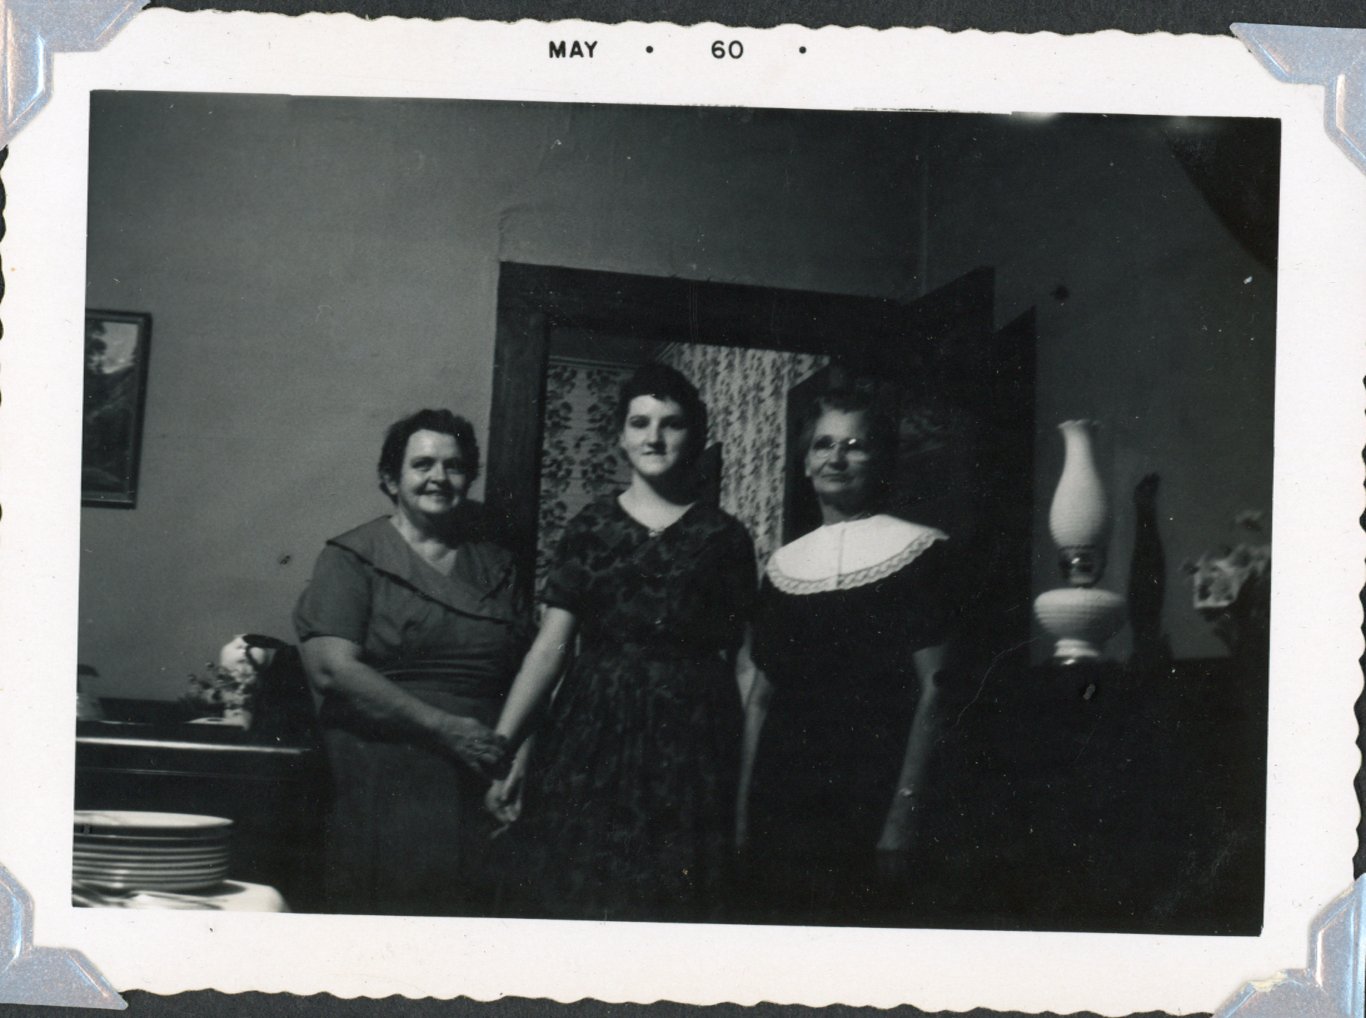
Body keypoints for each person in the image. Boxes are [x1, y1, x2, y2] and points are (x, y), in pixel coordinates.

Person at [487, 364, 757, 922]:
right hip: (592, 736)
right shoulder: (588, 528)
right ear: (620, 436)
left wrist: (744, 775)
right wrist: (503, 747)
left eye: (671, 423)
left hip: (694, 742)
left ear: (695, 436)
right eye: (640, 423)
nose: (654, 438)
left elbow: (745, 662)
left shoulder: (725, 537)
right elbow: (549, 649)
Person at [737, 390, 959, 924]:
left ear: (880, 460)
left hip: (873, 796)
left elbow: (939, 690)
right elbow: (760, 701)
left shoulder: (924, 552)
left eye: (855, 446)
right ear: (805, 461)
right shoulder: (782, 568)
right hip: (784, 800)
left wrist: (905, 810)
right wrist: (742, 812)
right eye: (824, 444)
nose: (836, 458)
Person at [293, 409, 526, 916]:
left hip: (482, 767)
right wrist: (446, 729)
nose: (439, 477)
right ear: (390, 479)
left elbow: (527, 673)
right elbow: (331, 669)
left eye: (454, 466)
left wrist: (516, 762)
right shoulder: (351, 556)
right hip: (385, 765)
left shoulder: (497, 564)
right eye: (422, 465)